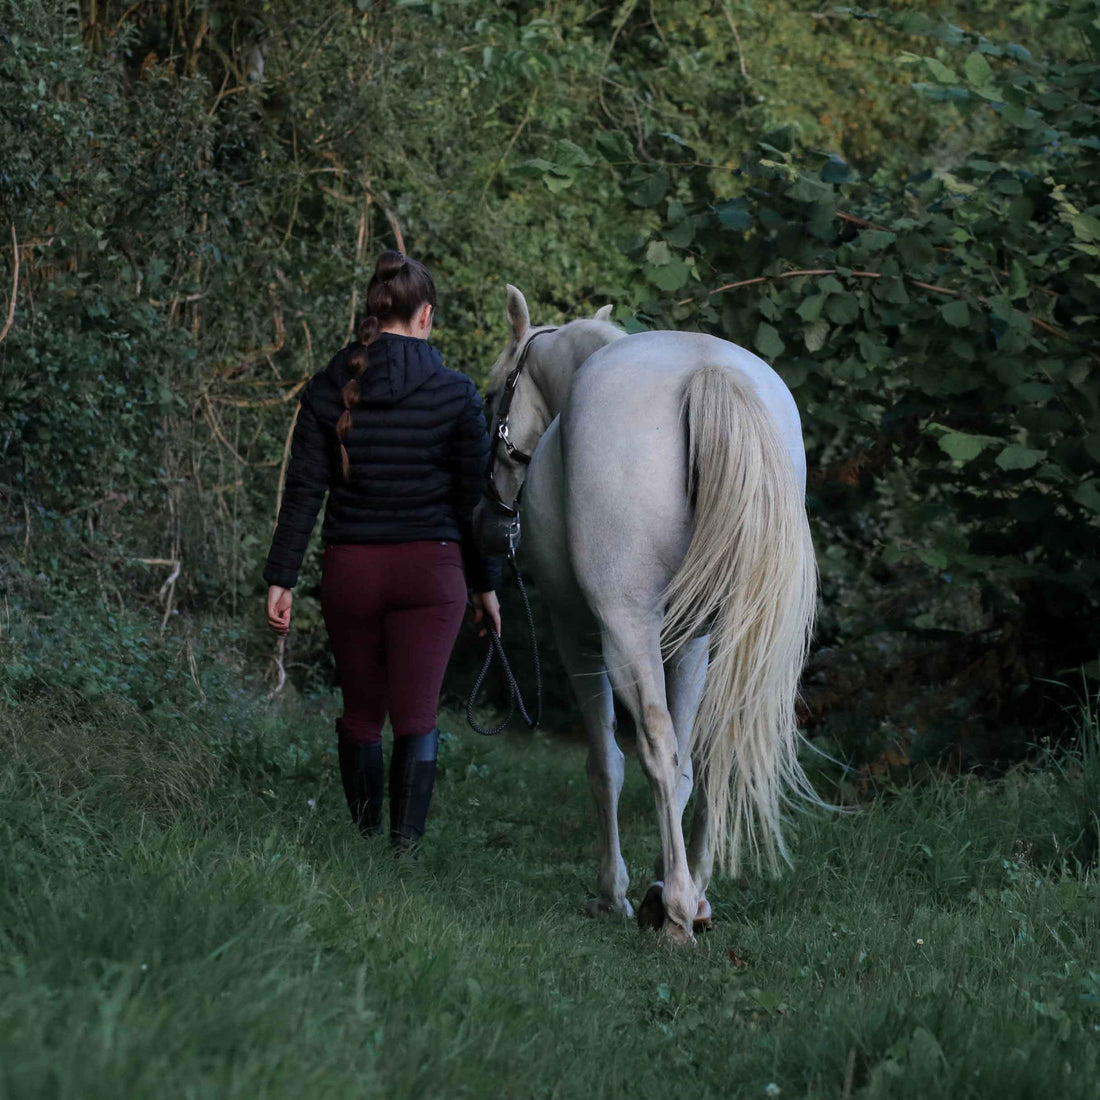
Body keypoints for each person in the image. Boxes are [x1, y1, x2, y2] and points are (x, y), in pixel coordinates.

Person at [263, 250, 501, 851]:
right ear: (425, 317)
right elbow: (472, 502)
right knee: (417, 715)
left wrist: (281, 577)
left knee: (361, 713)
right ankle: (404, 851)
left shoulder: (328, 387)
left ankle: (366, 844)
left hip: (352, 570)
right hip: (433, 572)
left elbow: (303, 491)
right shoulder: (456, 393)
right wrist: (485, 584)